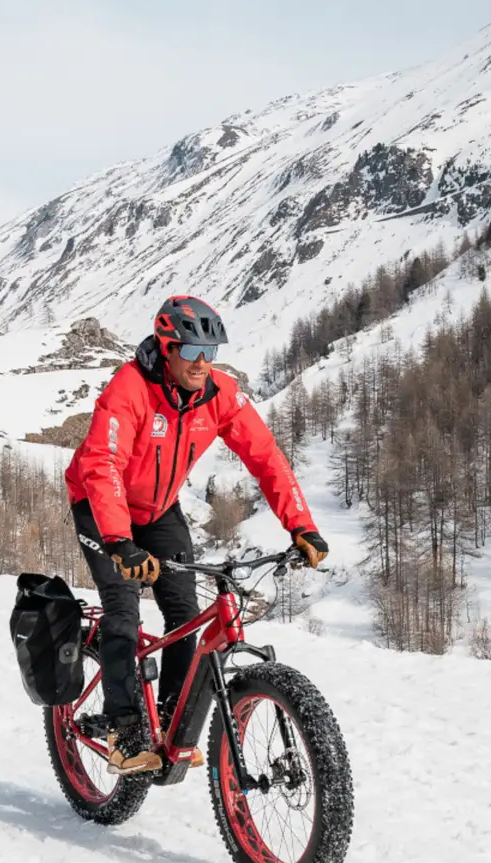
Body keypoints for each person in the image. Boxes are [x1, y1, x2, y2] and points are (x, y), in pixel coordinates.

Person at [65, 295, 328, 773]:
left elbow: (266, 457)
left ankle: (167, 723)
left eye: (211, 351)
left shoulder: (219, 394)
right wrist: (120, 542)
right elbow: (102, 466)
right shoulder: (130, 389)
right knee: (123, 610)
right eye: (190, 352)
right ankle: (126, 734)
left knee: (186, 613)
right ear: (166, 349)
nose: (202, 363)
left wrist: (301, 524)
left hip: (160, 510)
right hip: (101, 506)